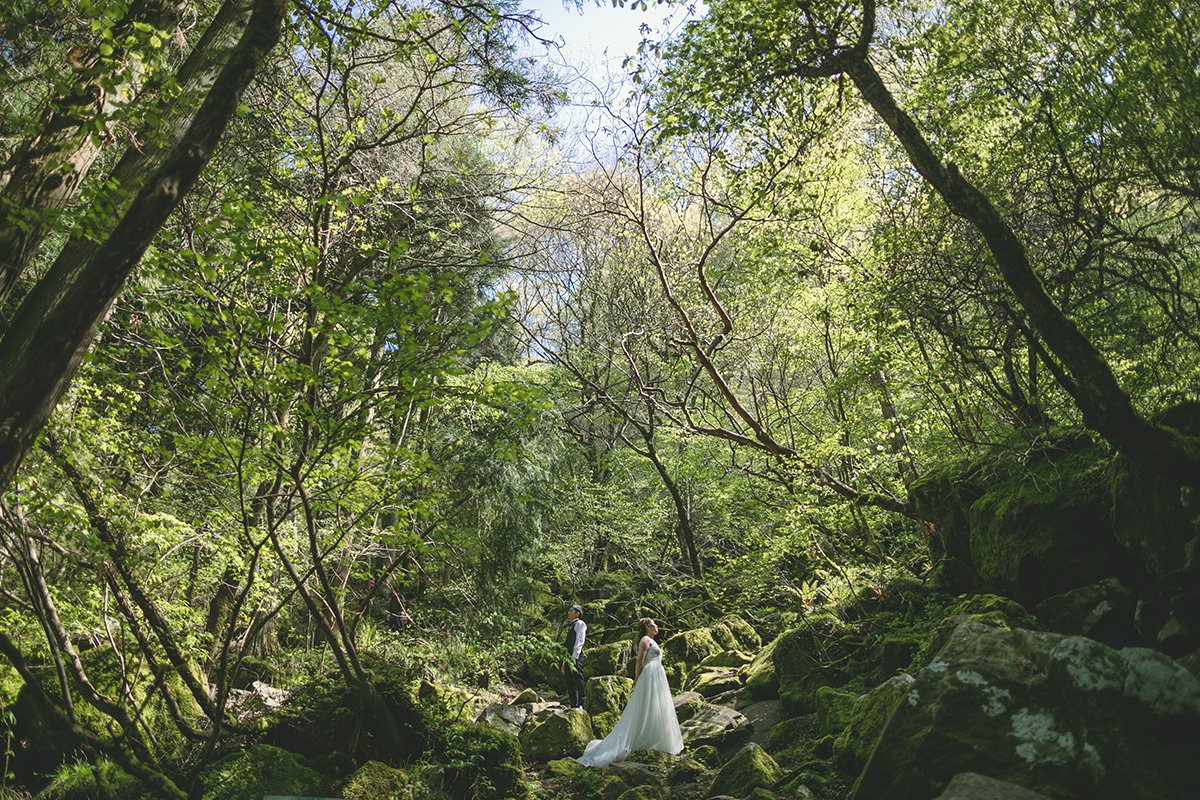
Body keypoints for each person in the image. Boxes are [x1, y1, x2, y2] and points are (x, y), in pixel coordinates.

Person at [575, 618, 684, 767]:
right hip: (650, 674)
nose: (657, 626)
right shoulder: (645, 640)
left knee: (657, 705)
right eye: (654, 623)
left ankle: (656, 738)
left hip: (658, 675)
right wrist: (637, 679)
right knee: (647, 705)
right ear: (647, 626)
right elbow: (640, 661)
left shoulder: (653, 641)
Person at [561, 604, 587, 709]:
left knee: (578, 678)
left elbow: (579, 641)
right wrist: (564, 663)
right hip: (568, 657)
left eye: (571, 611)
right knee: (569, 680)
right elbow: (567, 646)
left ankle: (582, 703)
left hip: (576, 656)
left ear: (577, 613)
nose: (568, 613)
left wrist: (574, 658)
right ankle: (574, 704)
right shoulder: (571, 626)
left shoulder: (580, 624)